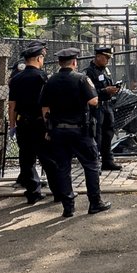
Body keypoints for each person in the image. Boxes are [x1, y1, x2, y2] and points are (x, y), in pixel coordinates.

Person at [40, 48, 105, 218]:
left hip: (58, 131)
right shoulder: (82, 79)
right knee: (91, 165)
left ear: (59, 63)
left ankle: (68, 207)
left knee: (63, 168)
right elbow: (93, 101)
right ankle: (95, 202)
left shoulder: (50, 81)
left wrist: (48, 128)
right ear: (75, 62)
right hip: (80, 131)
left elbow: (45, 108)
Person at [8, 43, 56, 205]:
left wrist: (12, 125)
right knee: (48, 157)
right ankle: (58, 191)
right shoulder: (42, 77)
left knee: (26, 159)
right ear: (38, 58)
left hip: (23, 123)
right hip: (40, 122)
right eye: (42, 57)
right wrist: (49, 124)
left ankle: (33, 193)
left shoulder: (16, 78)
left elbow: (12, 105)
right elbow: (46, 104)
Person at [84, 46, 121, 171]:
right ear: (98, 57)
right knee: (97, 135)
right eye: (106, 58)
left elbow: (107, 84)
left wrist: (114, 89)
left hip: (107, 105)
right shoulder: (89, 72)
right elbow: (90, 92)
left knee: (108, 133)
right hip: (97, 107)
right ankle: (95, 163)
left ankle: (107, 160)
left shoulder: (105, 70)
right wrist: (105, 90)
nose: (108, 60)